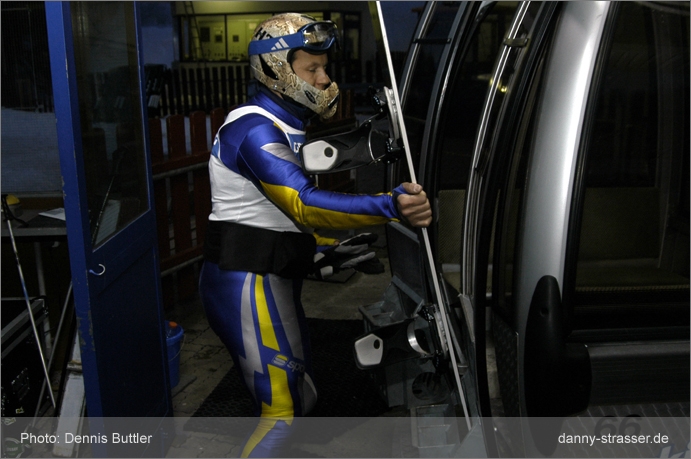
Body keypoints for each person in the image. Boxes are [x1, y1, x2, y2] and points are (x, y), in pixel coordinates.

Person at [198, 13, 431, 457]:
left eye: (324, 68)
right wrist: (390, 205)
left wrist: (319, 249)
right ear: (275, 70)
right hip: (245, 284)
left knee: (300, 396)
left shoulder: (282, 123)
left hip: (269, 279)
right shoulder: (253, 128)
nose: (324, 79)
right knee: (282, 413)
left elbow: (263, 216)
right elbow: (301, 204)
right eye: (312, 69)